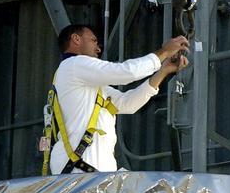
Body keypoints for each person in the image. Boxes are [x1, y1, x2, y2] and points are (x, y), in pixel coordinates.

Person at [47, 25, 188, 174]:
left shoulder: (86, 82)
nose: (98, 49)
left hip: (84, 170)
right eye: (93, 41)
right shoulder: (74, 65)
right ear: (76, 39)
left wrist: (163, 71)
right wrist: (164, 52)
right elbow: (126, 72)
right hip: (80, 169)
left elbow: (127, 104)